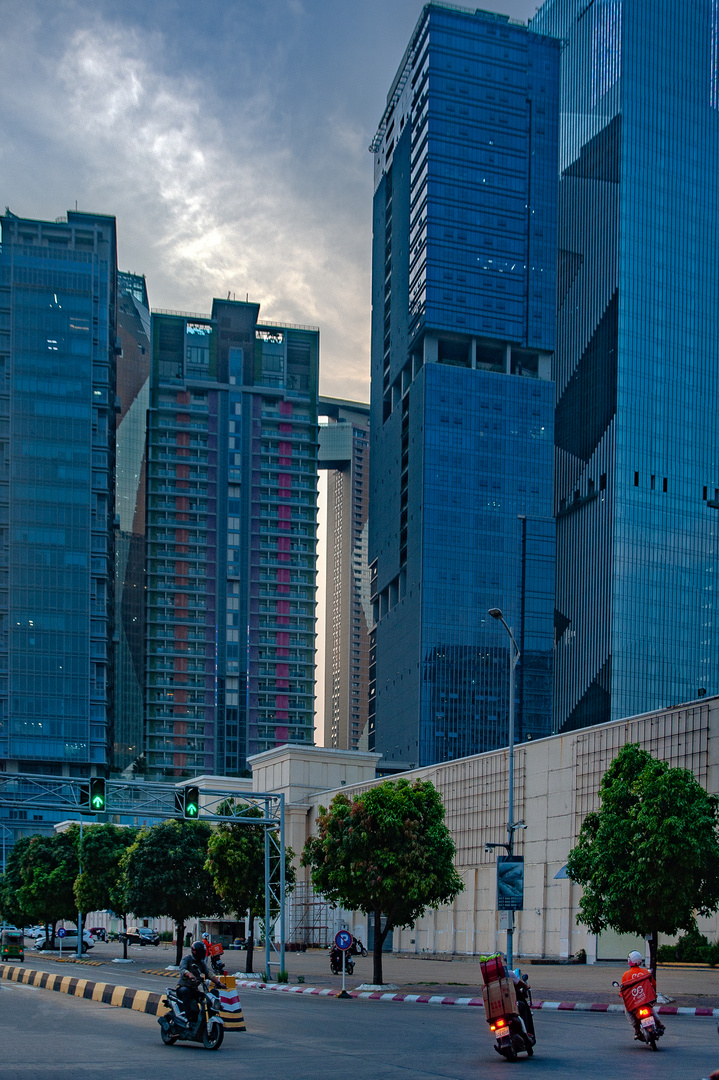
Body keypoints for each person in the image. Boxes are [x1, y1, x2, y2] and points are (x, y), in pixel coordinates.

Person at [176, 940, 223, 1025]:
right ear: (195, 951)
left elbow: (208, 973)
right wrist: (189, 974)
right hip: (183, 987)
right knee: (186, 992)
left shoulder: (202, 962)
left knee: (209, 995)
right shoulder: (187, 959)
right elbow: (182, 969)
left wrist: (218, 982)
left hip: (194, 989)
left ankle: (209, 1015)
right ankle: (188, 1018)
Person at [621, 951, 665, 1039]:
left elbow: (623, 990)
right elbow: (653, 984)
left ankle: (636, 1029)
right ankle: (659, 1024)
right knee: (651, 1008)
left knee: (627, 1011)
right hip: (645, 999)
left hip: (634, 1002)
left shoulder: (626, 975)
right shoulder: (645, 971)